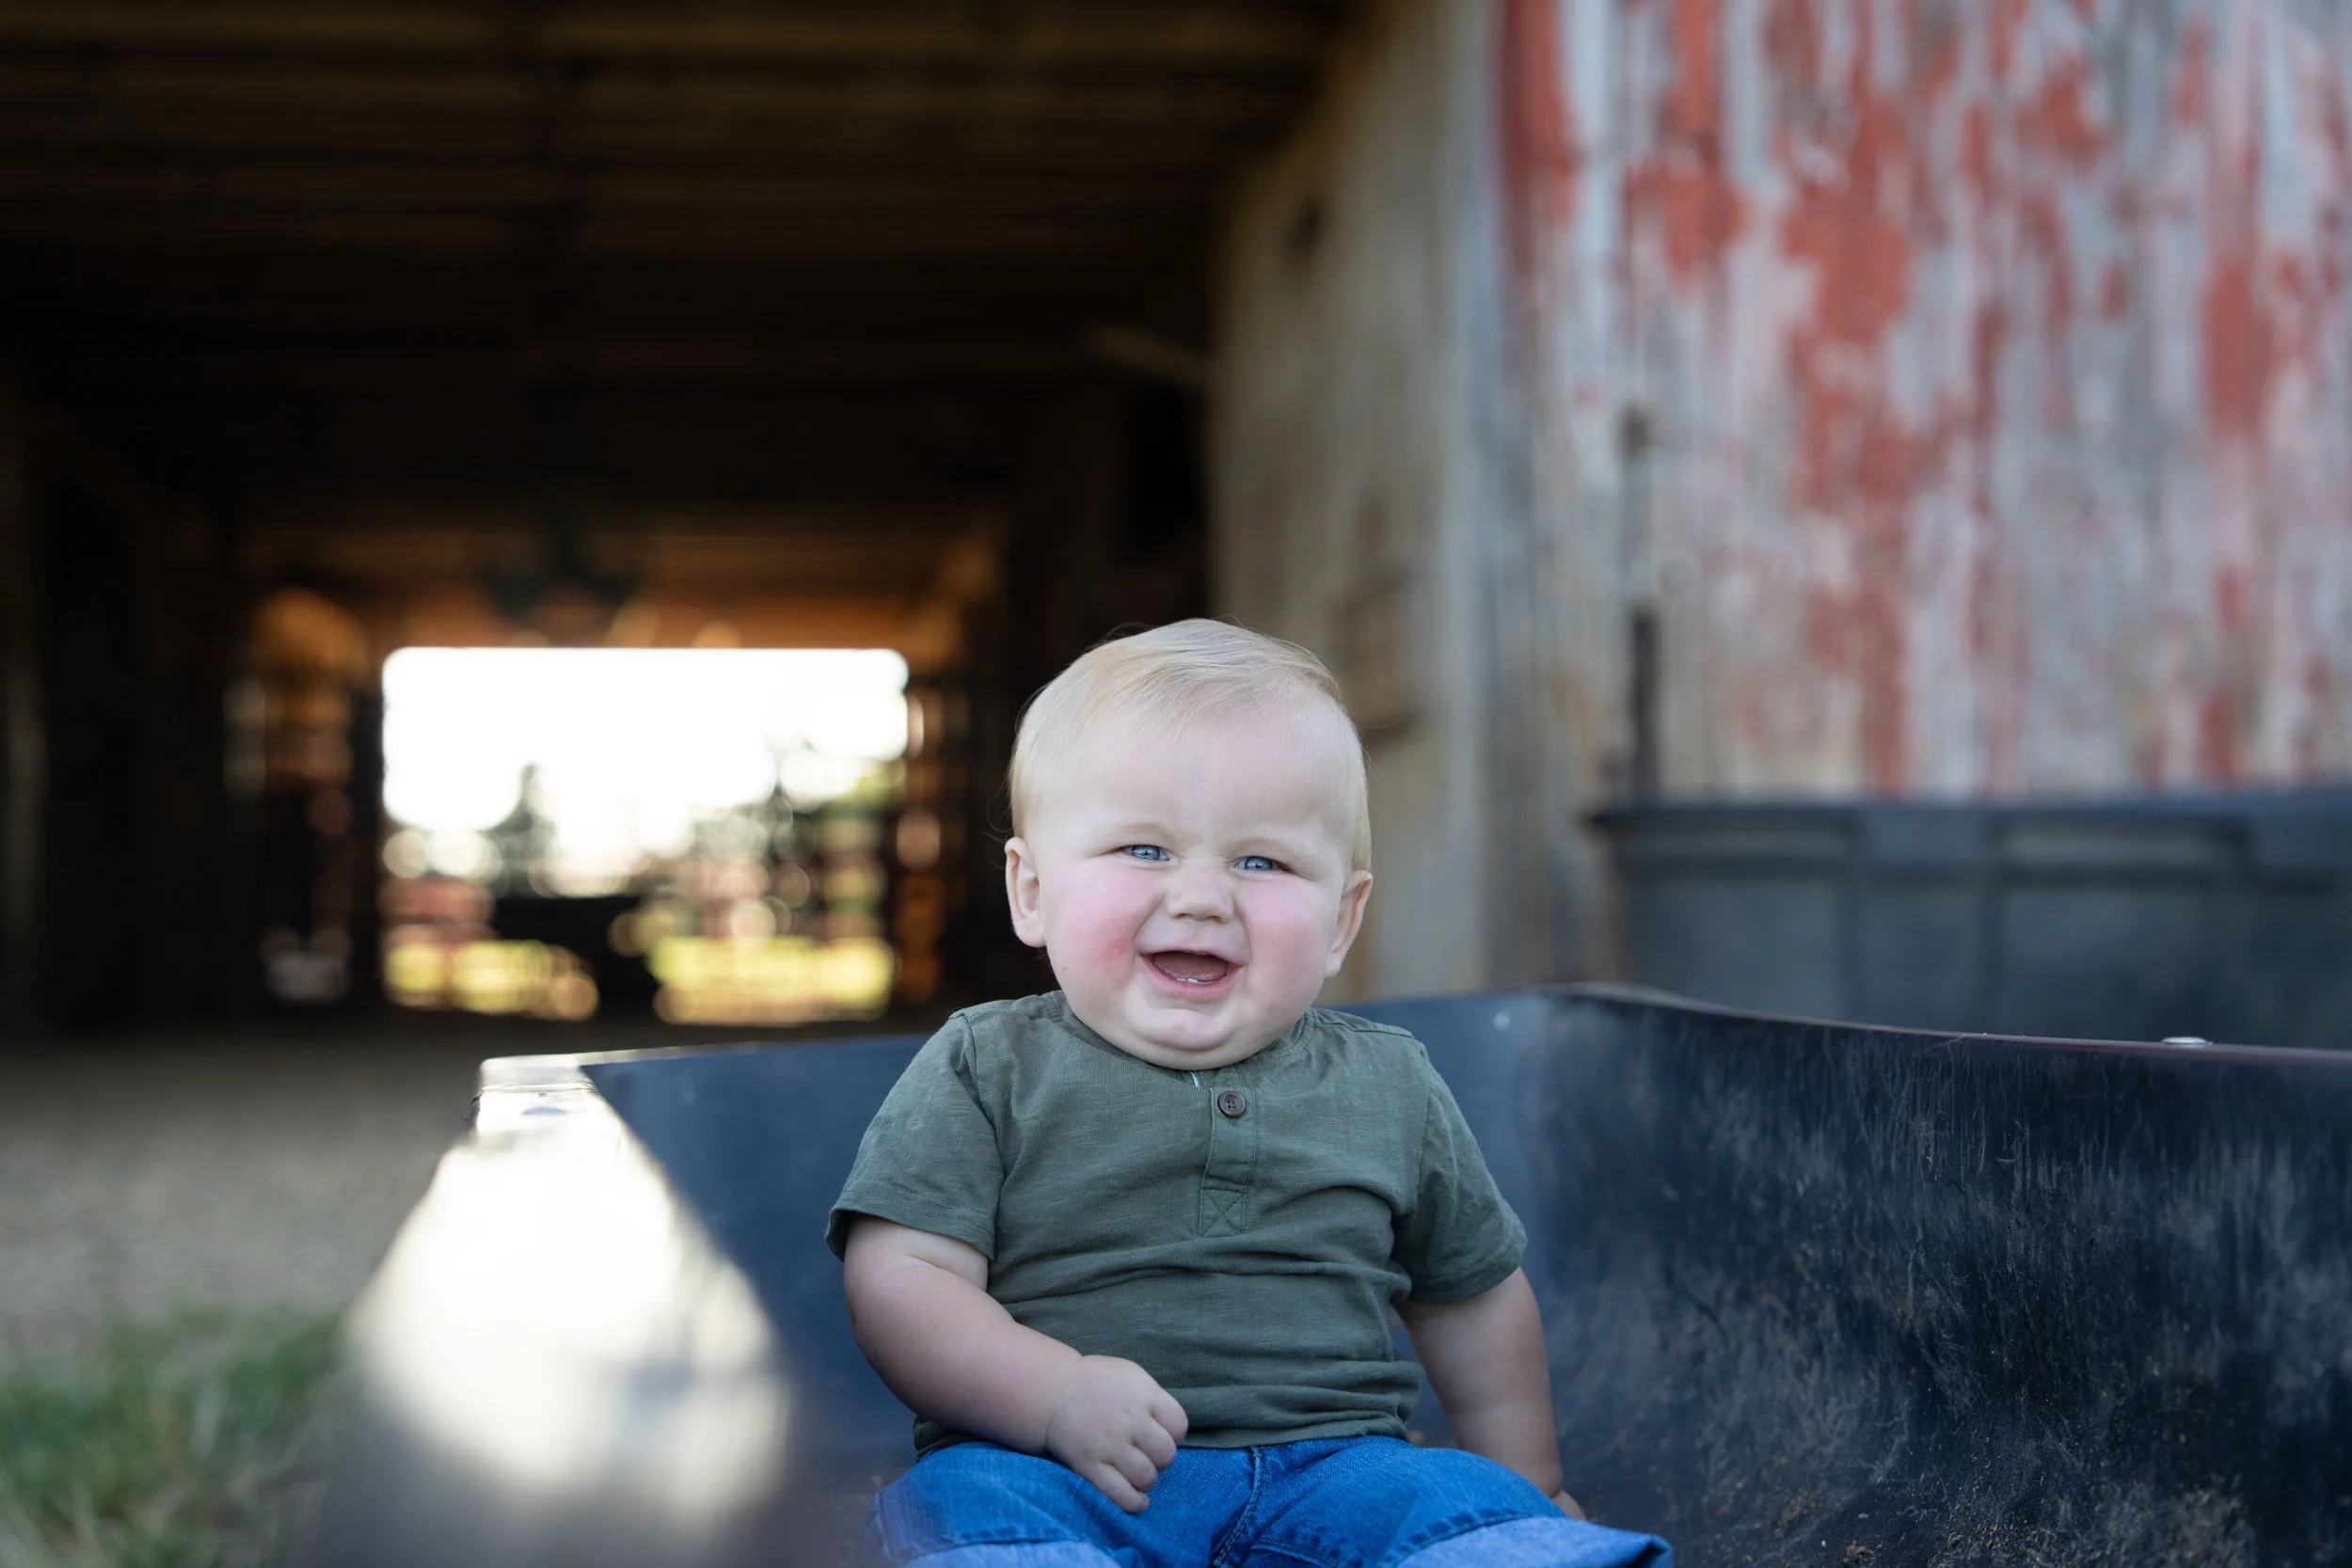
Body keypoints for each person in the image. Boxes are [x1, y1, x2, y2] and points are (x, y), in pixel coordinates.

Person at [828, 620, 1671, 1567]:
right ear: (1031, 889)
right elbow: (902, 1281)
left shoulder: (1388, 1081)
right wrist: (1051, 1393)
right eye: (1143, 849)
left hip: (1342, 1468)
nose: (1200, 896)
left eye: (1260, 861)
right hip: (1056, 1468)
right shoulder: (987, 1064)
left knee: (1461, 1509)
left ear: (1342, 918)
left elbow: (1472, 1297)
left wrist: (1527, 1485)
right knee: (955, 1509)